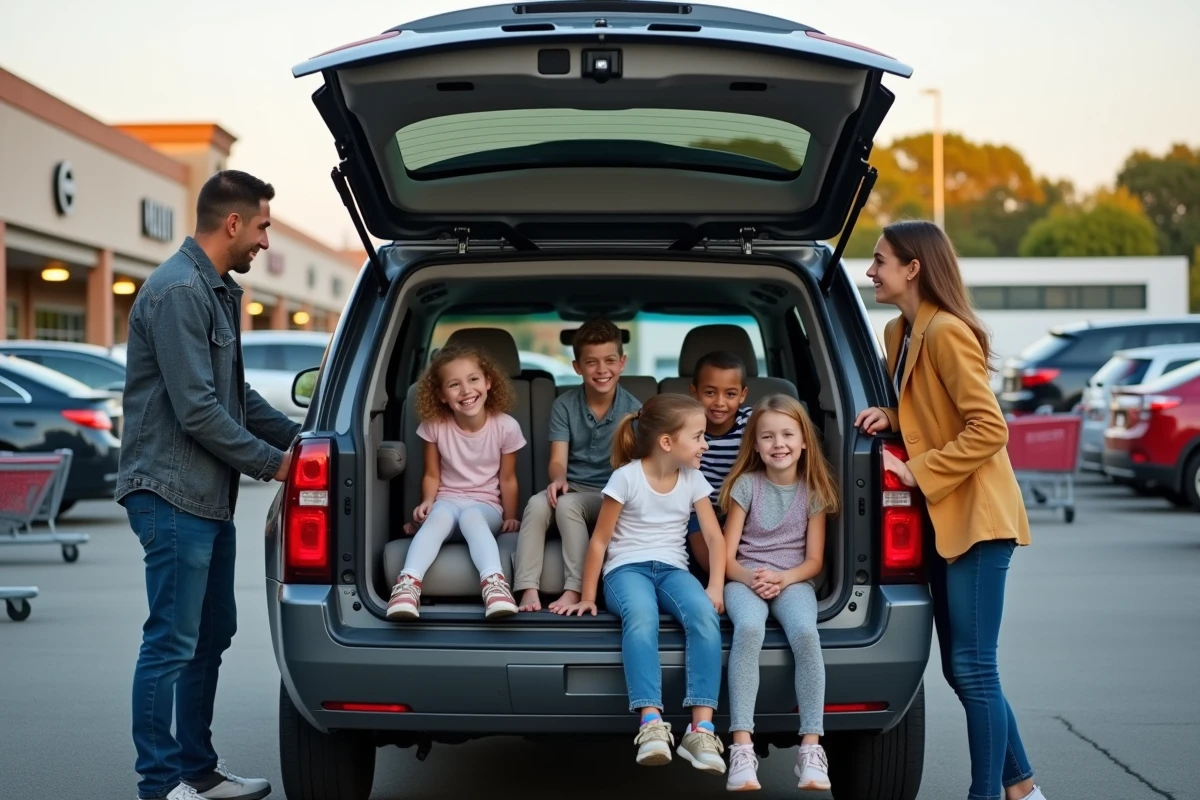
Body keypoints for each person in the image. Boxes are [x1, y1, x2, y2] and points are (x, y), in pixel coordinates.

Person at [117, 170, 301, 800]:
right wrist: (274, 465)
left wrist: (306, 440)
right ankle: (160, 784)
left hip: (204, 494)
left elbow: (236, 397)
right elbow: (197, 409)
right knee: (171, 640)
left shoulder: (217, 290)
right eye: (262, 227)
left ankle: (197, 771)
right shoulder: (176, 291)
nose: (265, 241)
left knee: (212, 632)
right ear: (232, 223)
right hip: (168, 491)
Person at [854, 219, 1046, 800]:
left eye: (880, 260)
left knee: (973, 668)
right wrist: (892, 417)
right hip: (941, 522)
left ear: (913, 269)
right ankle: (1023, 788)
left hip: (979, 520)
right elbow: (921, 407)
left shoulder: (946, 332)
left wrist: (921, 469)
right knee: (961, 669)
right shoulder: (898, 332)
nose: (870, 270)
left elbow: (990, 427)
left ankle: (987, 795)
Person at [557, 394, 727, 774]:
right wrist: (588, 596)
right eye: (698, 436)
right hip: (626, 570)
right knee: (643, 616)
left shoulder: (693, 479)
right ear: (667, 442)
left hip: (672, 570)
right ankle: (651, 723)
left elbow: (715, 539)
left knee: (703, 615)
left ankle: (701, 729)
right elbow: (600, 540)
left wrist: (715, 587)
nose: (706, 443)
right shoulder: (627, 477)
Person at [718, 394, 840, 792]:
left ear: (804, 440)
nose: (778, 444)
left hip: (792, 580)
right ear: (755, 445)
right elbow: (726, 554)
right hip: (744, 579)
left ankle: (810, 748)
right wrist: (753, 578)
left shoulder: (814, 490)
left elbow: (815, 561)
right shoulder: (745, 485)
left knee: (806, 634)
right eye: (767, 437)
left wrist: (783, 579)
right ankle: (741, 748)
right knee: (749, 630)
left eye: (788, 434)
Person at [386, 344, 525, 620]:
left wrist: (511, 517)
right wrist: (427, 502)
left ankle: (495, 585)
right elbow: (432, 474)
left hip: (486, 508)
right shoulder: (435, 426)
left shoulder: (506, 426)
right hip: (447, 502)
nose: (466, 391)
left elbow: (507, 479)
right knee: (438, 515)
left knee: (472, 516)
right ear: (440, 395)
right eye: (454, 384)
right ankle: (407, 586)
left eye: (473, 379)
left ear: (488, 382)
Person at [514, 318, 642, 612]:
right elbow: (557, 460)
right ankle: (528, 590)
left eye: (610, 360)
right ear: (577, 367)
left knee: (569, 505)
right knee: (536, 504)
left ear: (622, 363)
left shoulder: (634, 409)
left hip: (612, 494)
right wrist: (558, 480)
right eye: (591, 362)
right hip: (573, 486)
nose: (601, 370)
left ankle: (576, 589)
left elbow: (636, 466)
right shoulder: (565, 405)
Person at [685, 350, 752, 577]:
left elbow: (792, 425)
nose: (720, 403)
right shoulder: (683, 425)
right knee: (698, 530)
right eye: (710, 392)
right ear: (694, 392)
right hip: (697, 508)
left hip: (742, 507)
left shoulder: (752, 423)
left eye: (730, 394)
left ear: (743, 395)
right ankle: (722, 579)